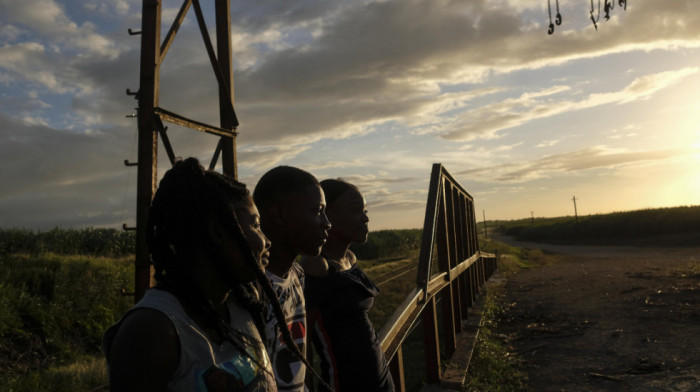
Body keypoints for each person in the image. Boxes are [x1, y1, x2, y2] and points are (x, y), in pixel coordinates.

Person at [103, 157, 289, 392]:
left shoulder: (240, 304)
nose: (267, 241)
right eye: (255, 226)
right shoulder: (152, 332)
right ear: (217, 233)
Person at [300, 179, 394, 392]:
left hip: (381, 378)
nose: (365, 218)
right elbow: (302, 343)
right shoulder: (317, 266)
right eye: (355, 211)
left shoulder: (350, 258)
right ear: (328, 215)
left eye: (365, 210)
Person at [252, 166, 332, 392]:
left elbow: (299, 357)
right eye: (318, 211)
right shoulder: (250, 289)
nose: (327, 223)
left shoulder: (297, 274)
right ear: (279, 214)